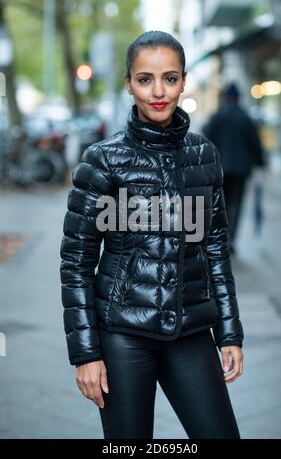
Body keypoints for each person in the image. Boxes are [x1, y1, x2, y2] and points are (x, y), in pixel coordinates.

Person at [60, 31, 244, 439]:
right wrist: (86, 353)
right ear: (129, 83)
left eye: (170, 78)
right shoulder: (103, 160)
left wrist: (229, 332)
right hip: (122, 335)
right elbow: (76, 263)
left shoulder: (204, 155)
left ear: (183, 80)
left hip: (191, 331)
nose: (158, 91)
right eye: (145, 79)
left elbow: (215, 248)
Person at [203, 83, 265, 254]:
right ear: (238, 98)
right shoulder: (246, 118)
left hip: (218, 169)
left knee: (218, 205)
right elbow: (255, 143)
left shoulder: (217, 116)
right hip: (240, 170)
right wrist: (260, 162)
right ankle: (230, 241)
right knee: (235, 205)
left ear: (225, 97)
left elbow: (206, 139)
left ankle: (218, 239)